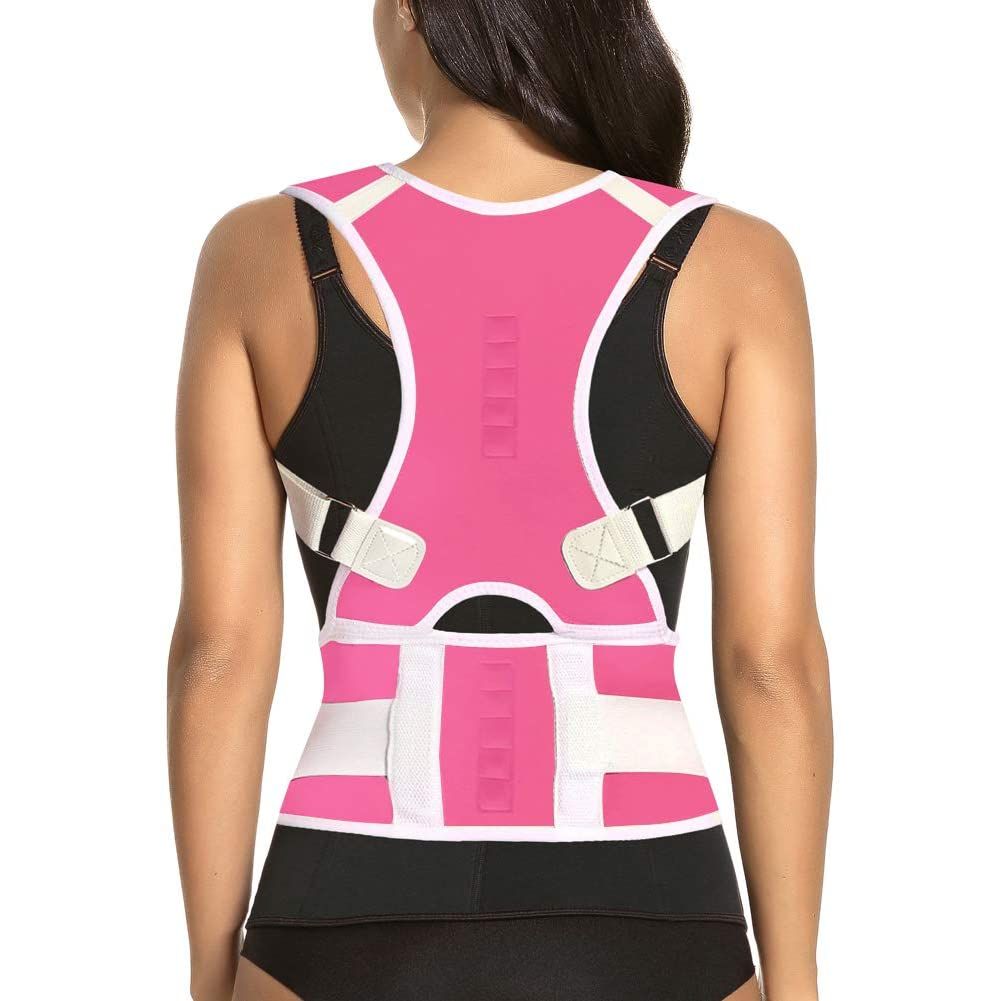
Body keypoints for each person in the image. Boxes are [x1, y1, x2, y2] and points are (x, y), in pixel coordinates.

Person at [168, 2, 833, 999]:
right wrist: (796, 980)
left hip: (339, 902)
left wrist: (209, 975)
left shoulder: (263, 251)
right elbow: (769, 664)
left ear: (407, 8)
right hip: (652, 903)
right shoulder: (731, 261)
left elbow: (219, 655)